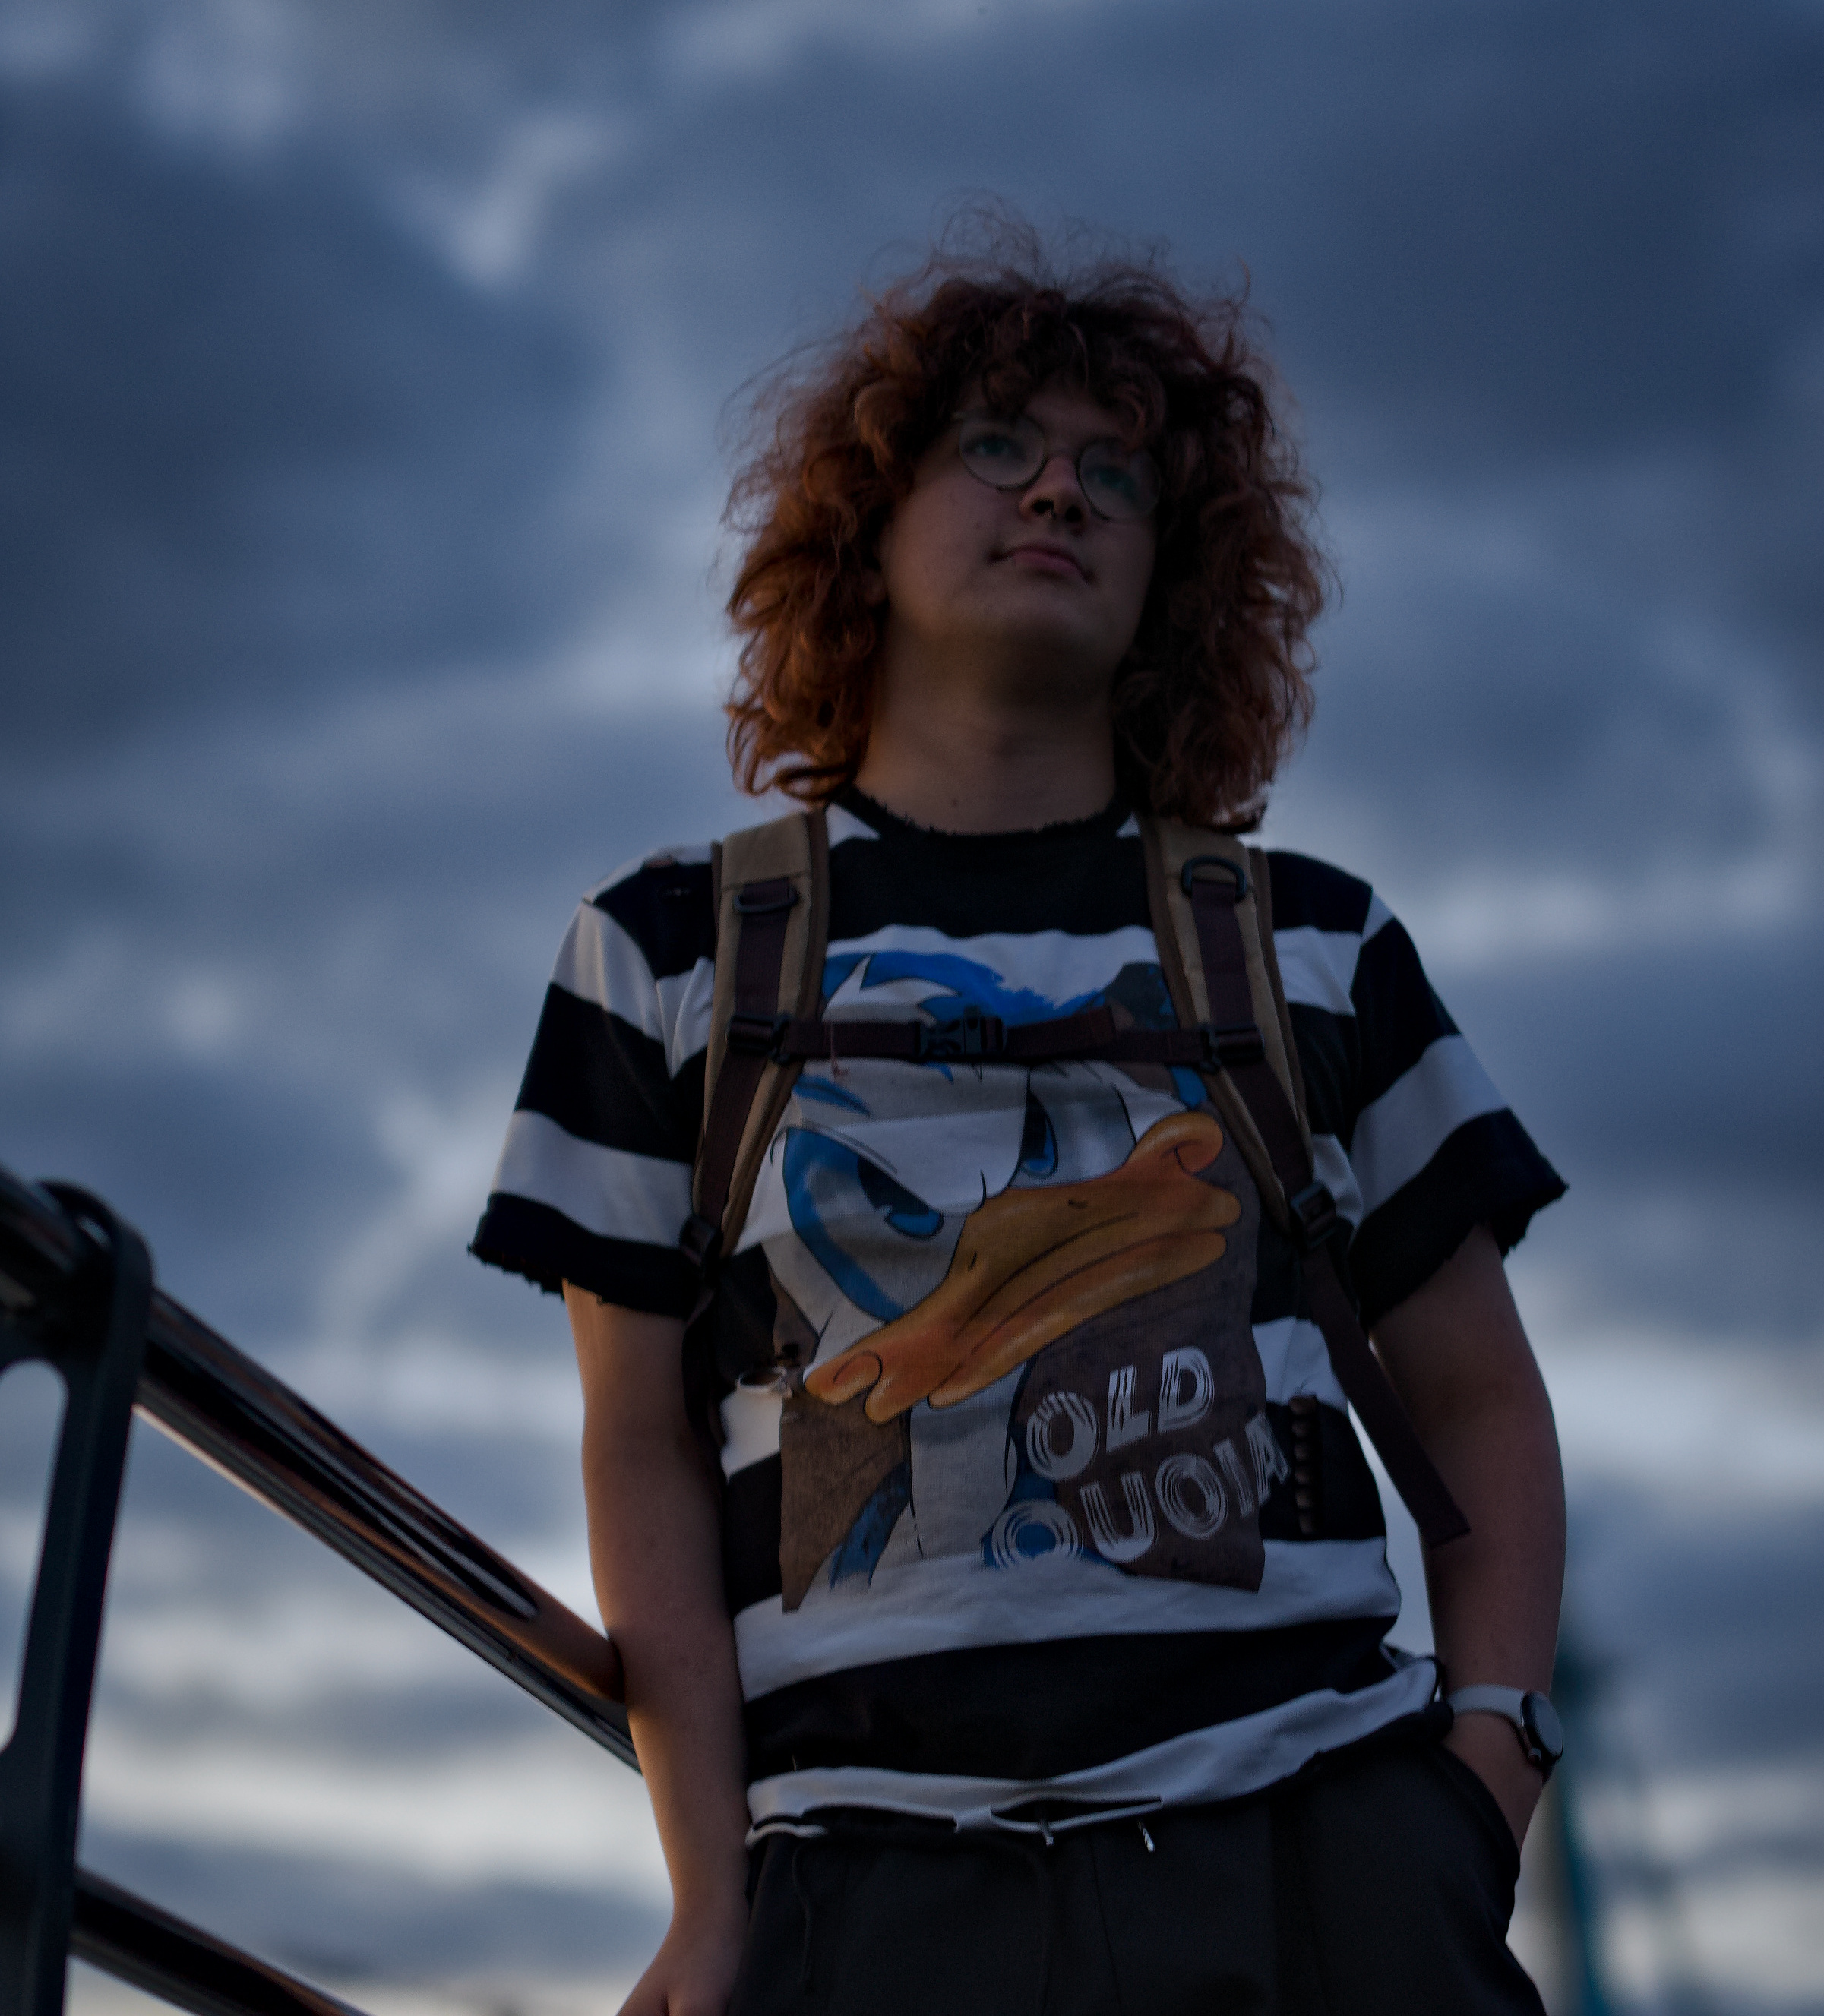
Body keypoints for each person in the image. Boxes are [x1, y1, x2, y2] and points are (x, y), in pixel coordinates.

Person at [473, 228, 1567, 2016]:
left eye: (1118, 472)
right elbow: (641, 1444)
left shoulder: (1315, 942)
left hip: (1316, 1853)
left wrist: (1483, 1780)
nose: (1061, 487)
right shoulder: (663, 951)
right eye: (998, 443)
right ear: (867, 527)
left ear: (1174, 579)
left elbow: (1478, 1392)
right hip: (867, 1893)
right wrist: (710, 1892)